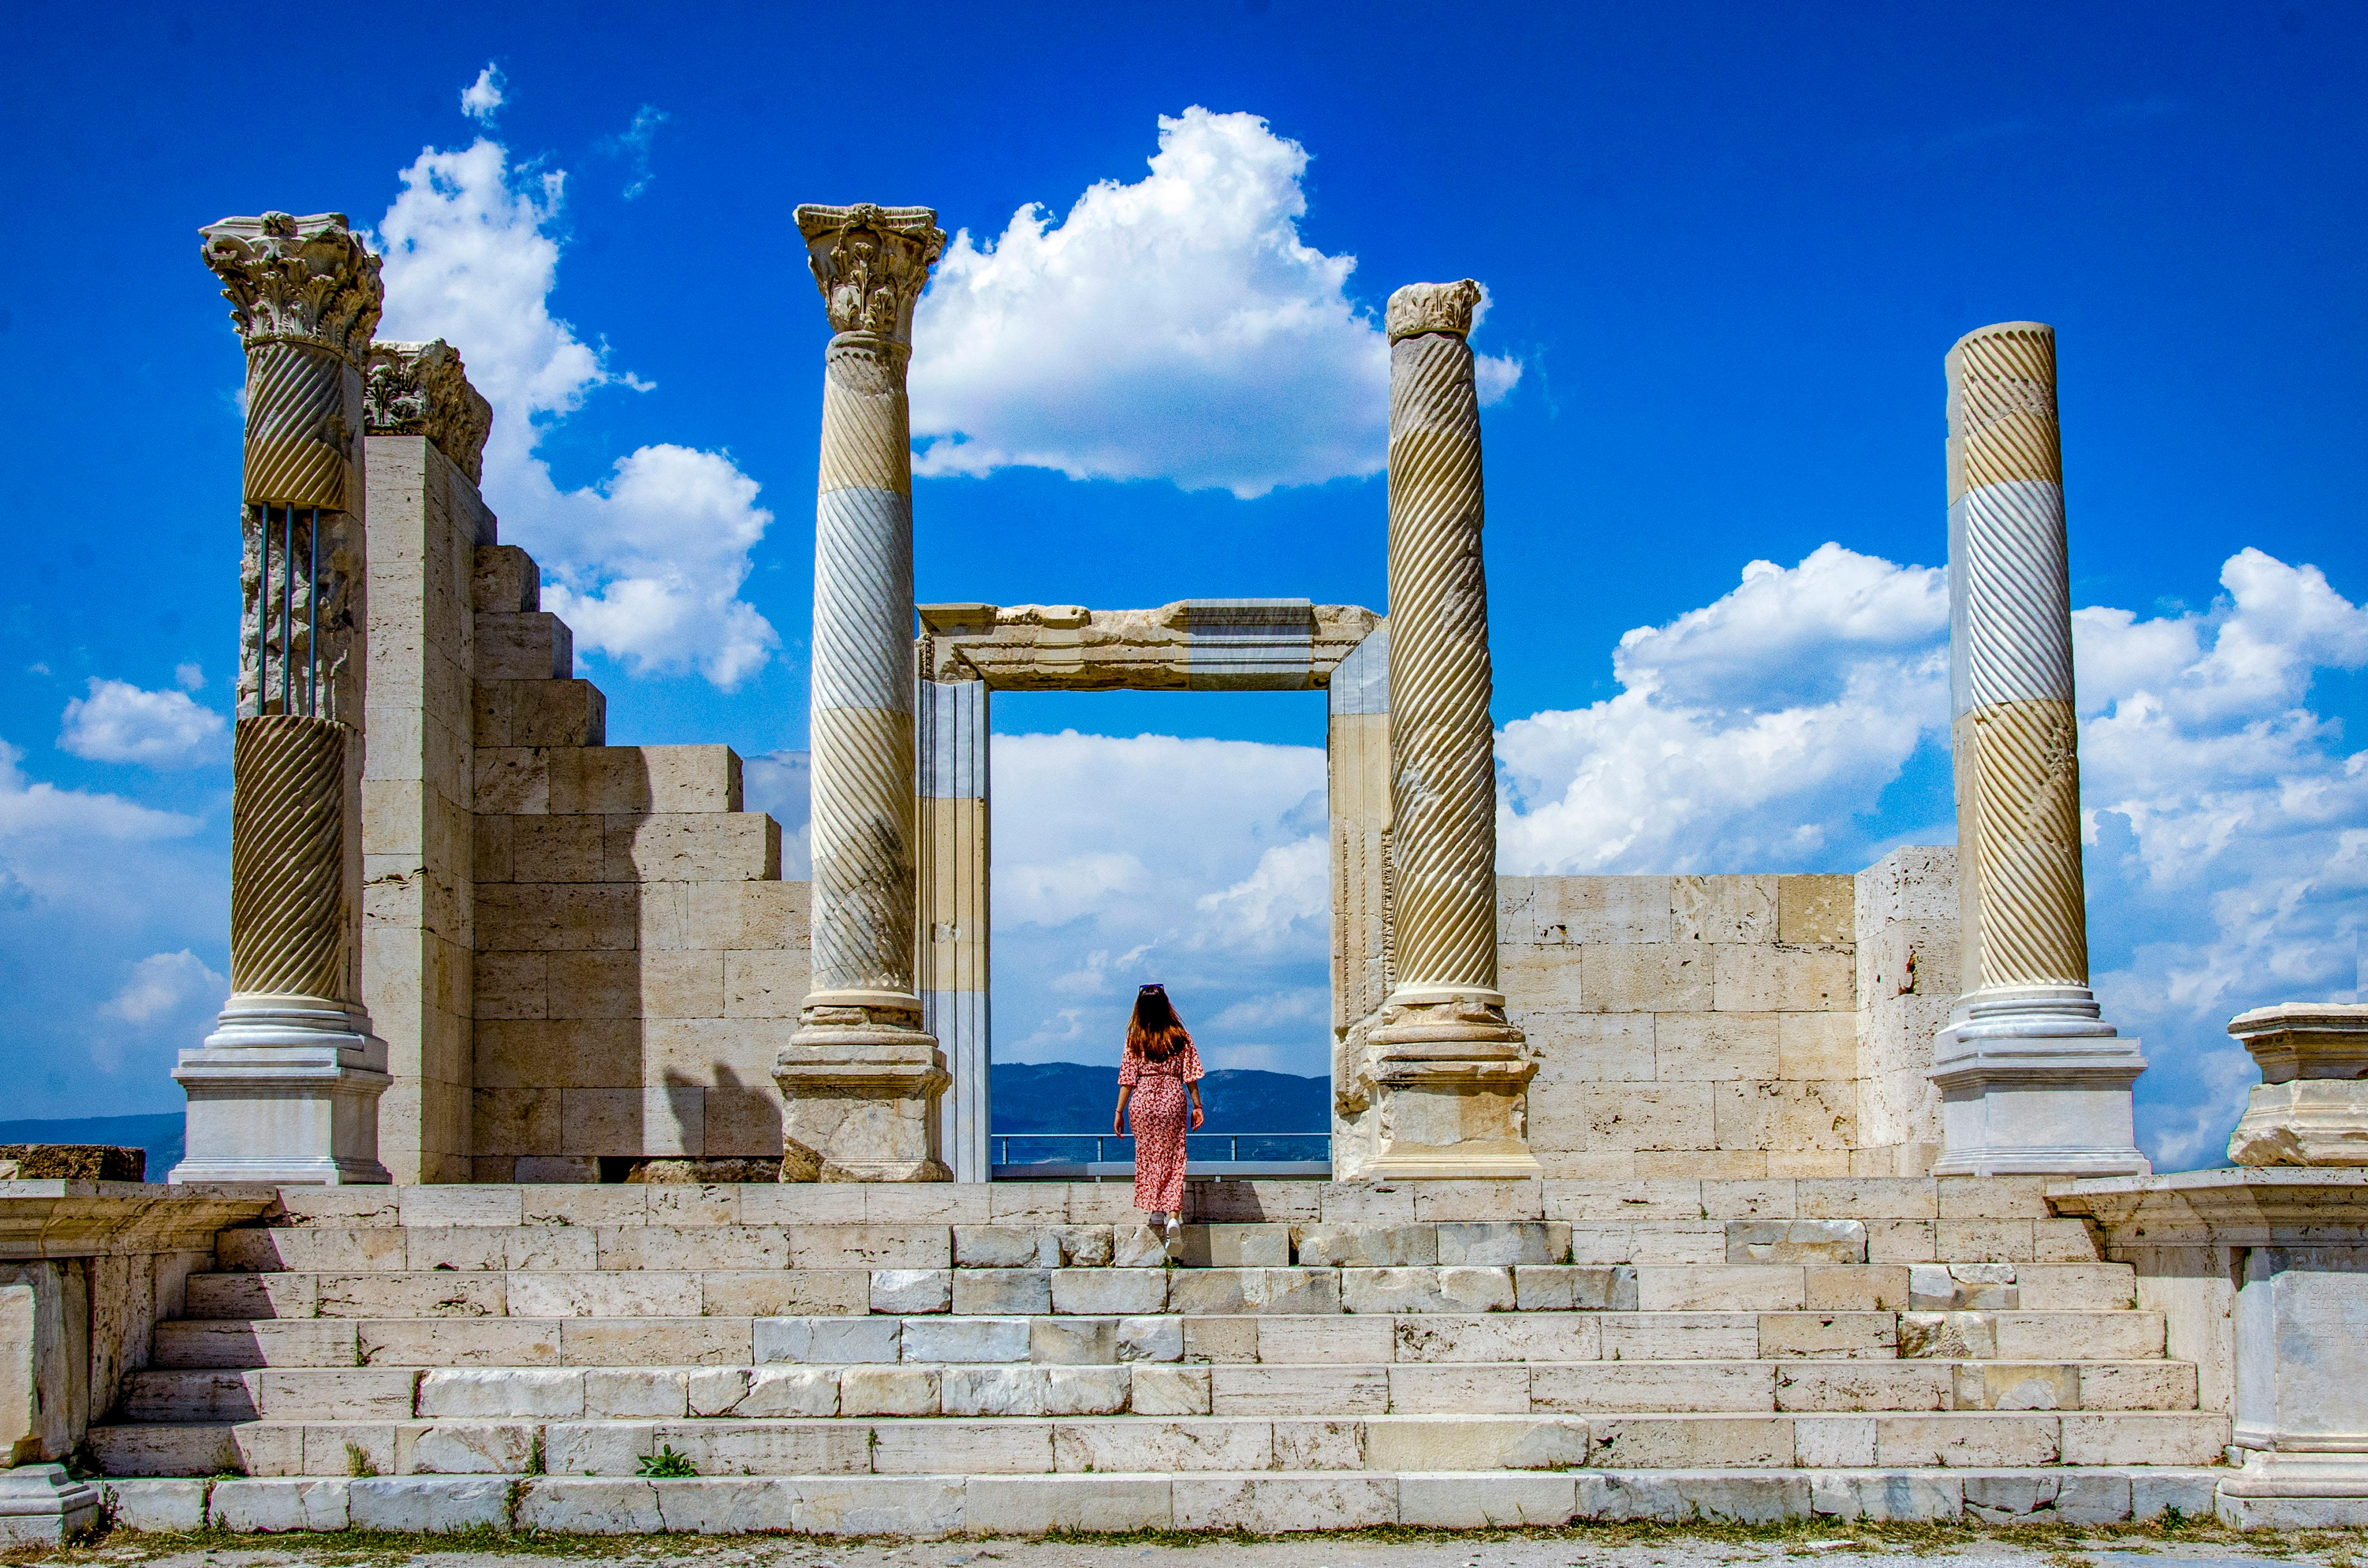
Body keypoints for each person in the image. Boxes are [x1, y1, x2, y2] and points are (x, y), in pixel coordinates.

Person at [1112, 983, 1204, 1244]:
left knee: (1149, 1156)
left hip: (1142, 1101)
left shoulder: (1135, 1039)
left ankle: (1155, 1212)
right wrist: (1197, 1106)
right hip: (1172, 1098)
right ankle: (1173, 1214)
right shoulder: (1180, 1037)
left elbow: (1128, 1079)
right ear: (1167, 1007)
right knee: (1175, 1157)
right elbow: (1191, 1077)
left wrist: (1119, 1111)